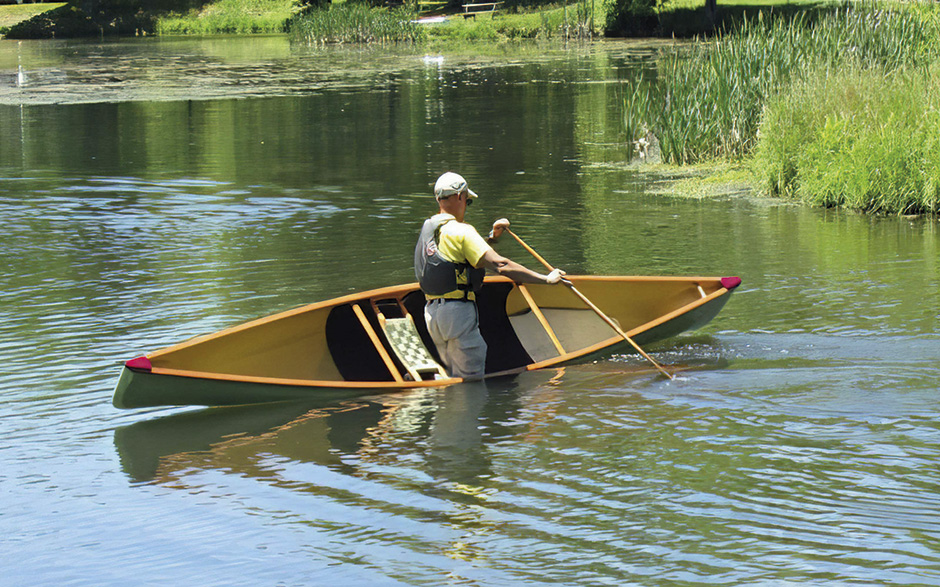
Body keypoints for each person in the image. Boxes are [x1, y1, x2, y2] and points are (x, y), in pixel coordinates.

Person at [414, 171, 565, 380]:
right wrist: (546, 279)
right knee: (471, 380)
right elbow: (501, 265)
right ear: (459, 196)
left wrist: (493, 237)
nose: (466, 205)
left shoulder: (430, 229)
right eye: (468, 200)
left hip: (432, 316)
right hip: (457, 314)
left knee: (454, 376)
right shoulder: (462, 231)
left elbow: (459, 257)